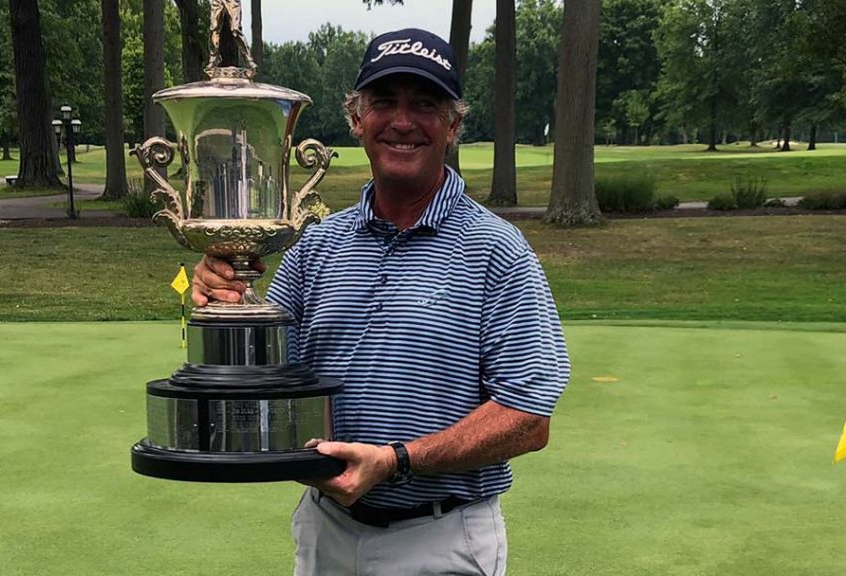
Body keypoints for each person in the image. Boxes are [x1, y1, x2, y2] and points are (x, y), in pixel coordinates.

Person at [193, 28, 570, 575]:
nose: (402, 121)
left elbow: (528, 417)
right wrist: (222, 302)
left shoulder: (496, 250)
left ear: (453, 126)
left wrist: (395, 462)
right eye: (384, 102)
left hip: (439, 537)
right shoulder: (315, 245)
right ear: (356, 119)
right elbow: (266, 381)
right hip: (327, 531)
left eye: (425, 104)